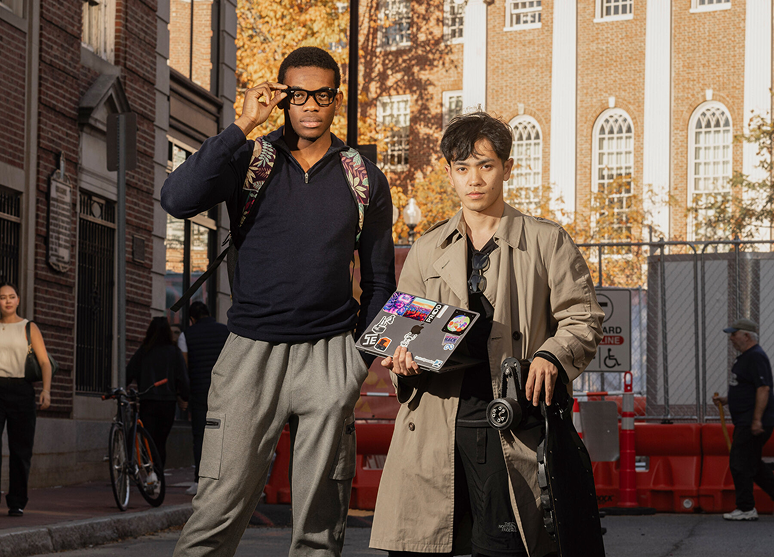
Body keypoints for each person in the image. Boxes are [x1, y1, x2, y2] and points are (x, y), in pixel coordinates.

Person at [161, 46, 395, 556]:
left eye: (323, 95)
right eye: (298, 95)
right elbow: (176, 198)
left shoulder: (364, 179)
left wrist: (357, 361)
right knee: (217, 506)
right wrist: (242, 123)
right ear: (282, 97)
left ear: (337, 99)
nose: (311, 105)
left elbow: (379, 282)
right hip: (250, 353)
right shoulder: (250, 159)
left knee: (319, 522)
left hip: (331, 355)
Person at [369, 112, 603, 557]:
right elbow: (402, 334)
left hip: (513, 422)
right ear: (449, 175)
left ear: (507, 168)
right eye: (462, 168)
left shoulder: (546, 241)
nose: (473, 179)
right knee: (423, 545)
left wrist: (552, 355)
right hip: (433, 425)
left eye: (485, 165)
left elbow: (583, 318)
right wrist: (401, 360)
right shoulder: (426, 248)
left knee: (507, 548)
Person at [712, 318, 774, 521]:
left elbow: (763, 388)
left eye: (734, 333)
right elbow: (746, 388)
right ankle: (747, 507)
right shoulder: (745, 358)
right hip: (747, 420)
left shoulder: (756, 357)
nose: (731, 338)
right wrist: (727, 399)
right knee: (753, 465)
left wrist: (756, 420)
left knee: (739, 462)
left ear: (746, 335)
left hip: (752, 422)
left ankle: (746, 508)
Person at [0, 282, 52, 517]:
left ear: (18, 300)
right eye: (2, 297)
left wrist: (46, 390)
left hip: (21, 390)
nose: (7, 301)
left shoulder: (28, 327)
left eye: (12, 296)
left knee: (20, 449)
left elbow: (44, 362)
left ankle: (17, 501)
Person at [178, 301, 229, 496]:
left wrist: (184, 395)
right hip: (222, 391)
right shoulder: (226, 332)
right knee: (222, 435)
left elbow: (184, 367)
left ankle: (200, 479)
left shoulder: (186, 335)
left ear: (192, 319)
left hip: (199, 393)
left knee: (200, 436)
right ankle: (221, 479)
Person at [126, 316, 190, 468]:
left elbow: (129, 373)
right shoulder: (174, 352)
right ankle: (159, 474)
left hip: (148, 400)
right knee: (161, 441)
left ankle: (151, 473)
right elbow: (183, 377)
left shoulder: (144, 351)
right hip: (167, 402)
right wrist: (184, 397)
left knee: (148, 439)